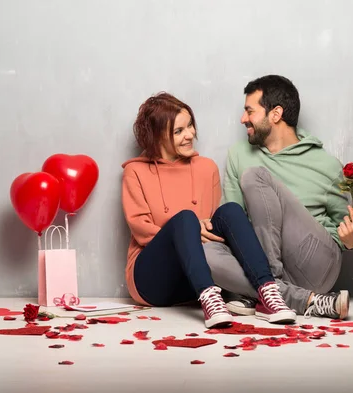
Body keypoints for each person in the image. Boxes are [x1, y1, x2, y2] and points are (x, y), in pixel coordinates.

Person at [121, 92, 297, 329]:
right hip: (152, 281)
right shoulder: (136, 172)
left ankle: (267, 291)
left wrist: (197, 229)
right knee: (185, 218)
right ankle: (210, 299)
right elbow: (141, 230)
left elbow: (211, 227)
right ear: (158, 137)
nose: (190, 134)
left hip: (193, 276)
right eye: (179, 131)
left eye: (190, 126)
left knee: (231, 211)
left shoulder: (206, 168)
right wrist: (188, 228)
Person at [204, 75, 353, 319]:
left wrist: (352, 240)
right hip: (265, 267)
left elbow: (344, 232)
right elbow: (234, 217)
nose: (243, 119)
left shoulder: (326, 165)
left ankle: (263, 289)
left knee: (254, 177)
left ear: (275, 114)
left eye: (249, 111)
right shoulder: (238, 155)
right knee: (206, 254)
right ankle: (302, 300)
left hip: (316, 265)